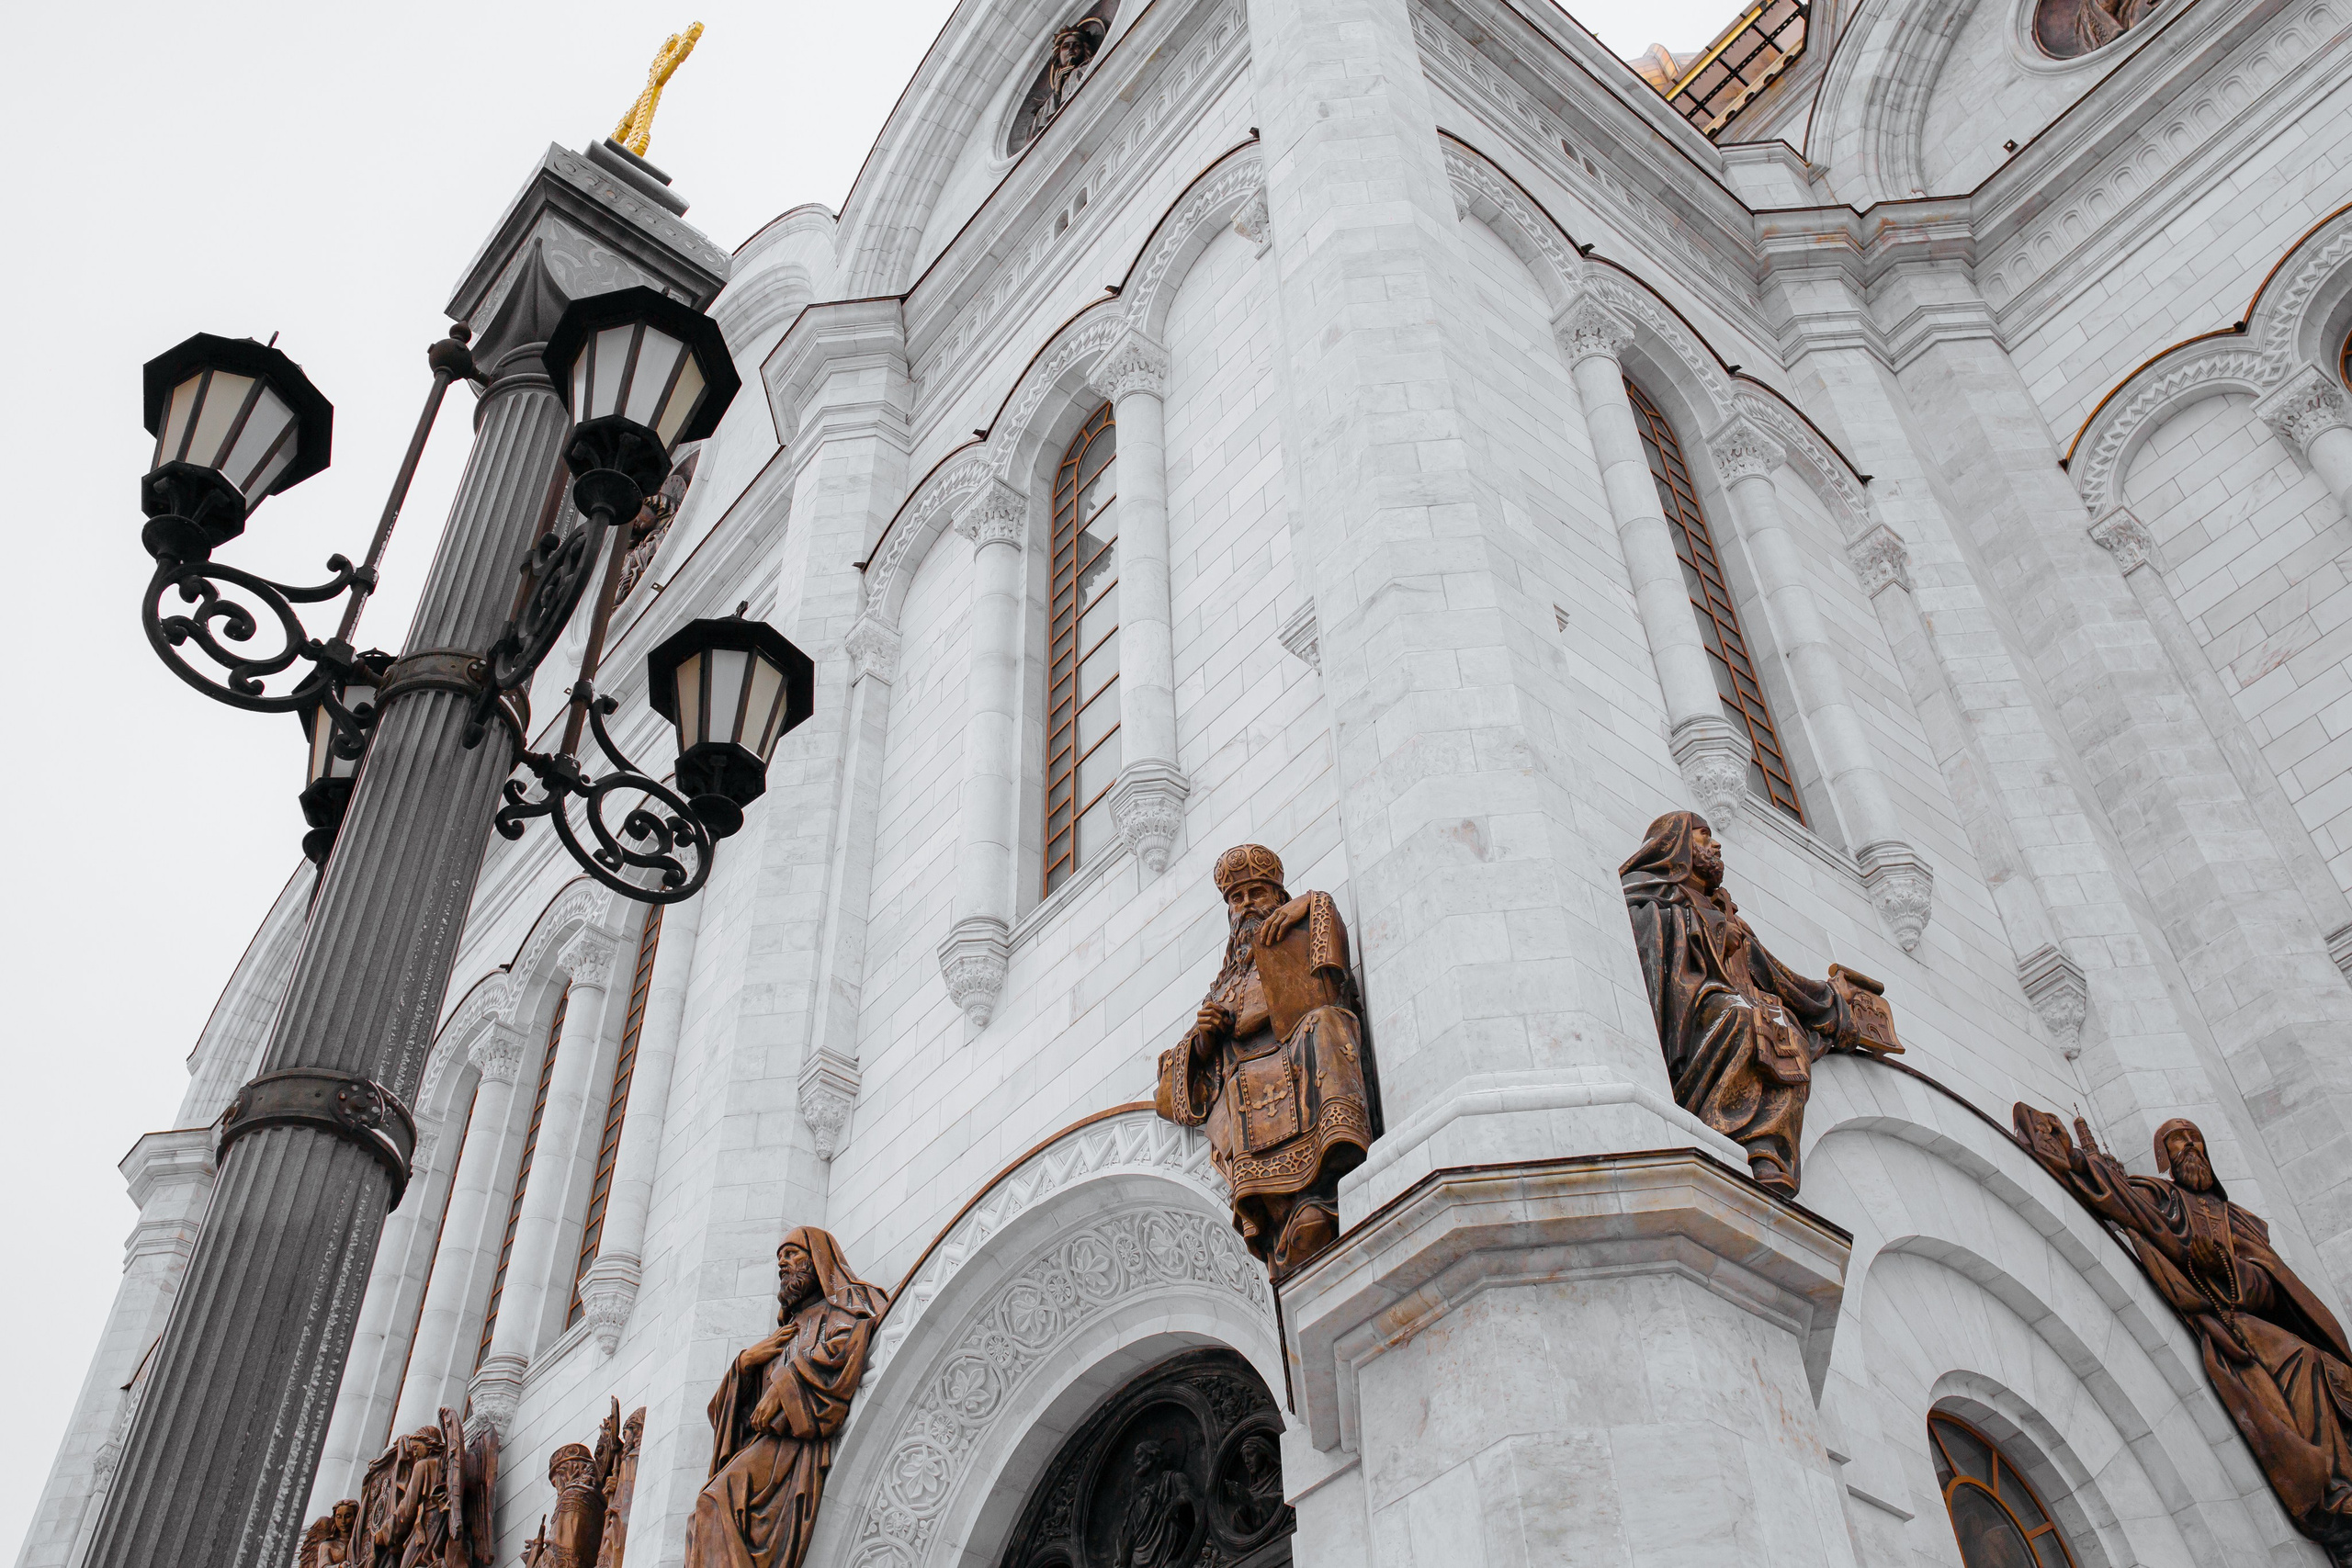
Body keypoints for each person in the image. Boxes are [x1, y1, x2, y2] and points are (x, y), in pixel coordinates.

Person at [2016, 1107, 2352, 1564]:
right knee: (2301, 1362)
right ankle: (2331, 1492)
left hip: (2247, 1311)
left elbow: (2272, 1284)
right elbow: (2129, 1205)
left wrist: (2230, 1268)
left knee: (2335, 1373)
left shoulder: (2243, 1220)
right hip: (2222, 1318)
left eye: (2196, 1140)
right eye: (2178, 1142)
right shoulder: (2162, 1197)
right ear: (2164, 1157)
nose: (2191, 1148)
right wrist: (2078, 1159)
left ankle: (2342, 1478)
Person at [1621, 810, 1889, 1194]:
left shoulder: (1730, 914)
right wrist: (1710, 931)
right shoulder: (1653, 893)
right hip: (1697, 1000)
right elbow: (1645, 932)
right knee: (1741, 1019)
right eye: (1702, 837)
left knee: (1785, 1028)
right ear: (1676, 844)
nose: (1714, 844)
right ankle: (1720, 1128)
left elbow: (1779, 978)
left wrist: (1833, 1002)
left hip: (1738, 1000)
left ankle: (1767, 1152)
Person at [1158, 844, 1374, 1273]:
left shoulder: (1298, 930)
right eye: (1237, 899)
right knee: (1244, 1085)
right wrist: (1203, 1040)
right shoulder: (1222, 986)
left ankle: (1321, 1189)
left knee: (1326, 1024)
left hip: (1300, 1055)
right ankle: (1287, 1213)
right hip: (1252, 1081)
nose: (1247, 905)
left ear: (1279, 896)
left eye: (1257, 893)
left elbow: (1330, 979)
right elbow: (1168, 1093)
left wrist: (1313, 904)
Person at [684, 1228, 888, 1568]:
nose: (783, 1264)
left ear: (819, 1260)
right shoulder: (782, 1334)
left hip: (792, 1446)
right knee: (698, 1522)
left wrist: (785, 1383)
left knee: (714, 1500)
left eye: (793, 1255)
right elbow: (730, 1418)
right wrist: (744, 1366)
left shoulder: (844, 1307)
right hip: (766, 1446)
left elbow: (853, 1339)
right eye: (780, 1259)